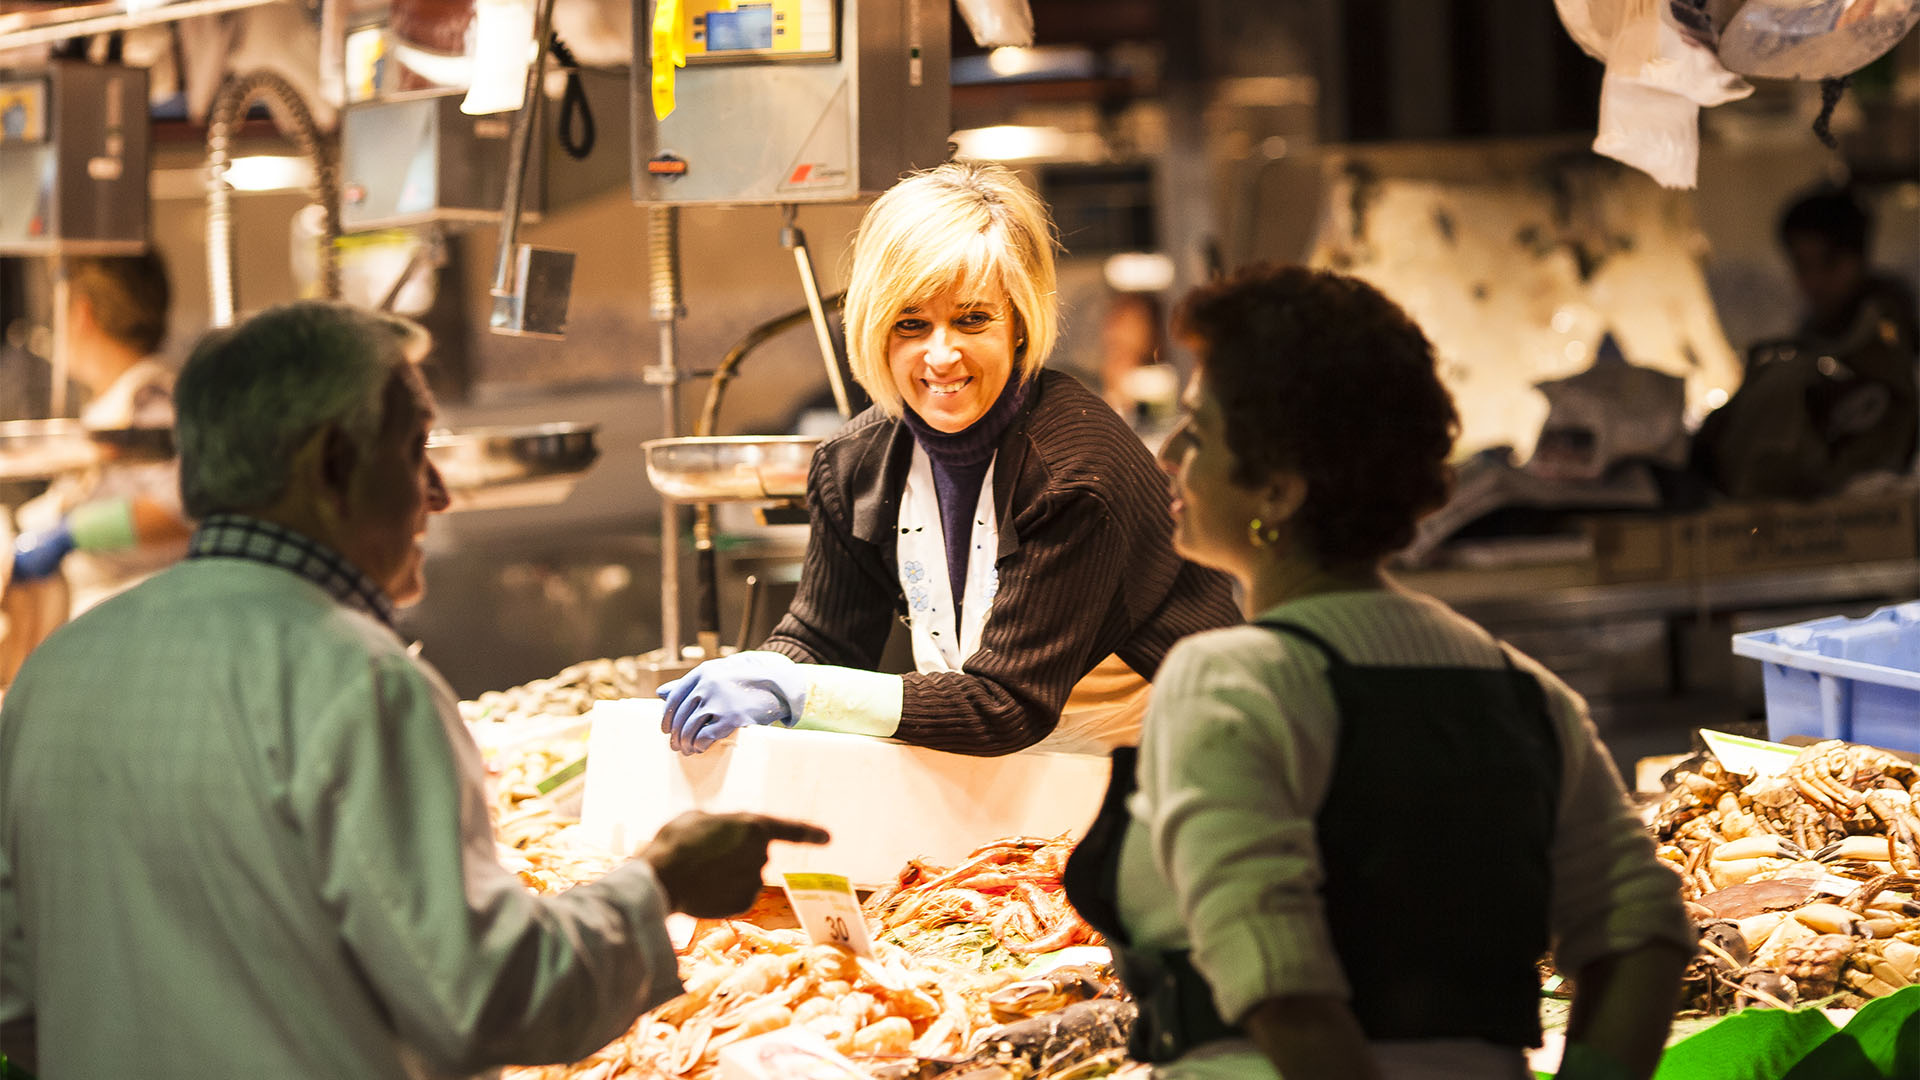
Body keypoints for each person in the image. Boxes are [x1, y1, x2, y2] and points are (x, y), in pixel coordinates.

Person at [0, 301, 828, 1078]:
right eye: (415, 451)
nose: (437, 493)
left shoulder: (60, 670)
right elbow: (486, 999)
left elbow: (15, 999)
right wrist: (658, 883)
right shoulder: (356, 681)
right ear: (332, 466)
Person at [1062, 265, 1692, 1080]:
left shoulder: (1230, 682)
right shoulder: (1524, 690)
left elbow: (1284, 994)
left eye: (1198, 430)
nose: (1168, 453)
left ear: (1279, 491)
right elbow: (1642, 938)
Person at [658, 162, 1239, 757]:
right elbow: (823, 638)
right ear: (875, 331)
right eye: (910, 323)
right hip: (1005, 769)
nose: (941, 355)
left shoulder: (1075, 472)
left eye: (971, 319)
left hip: (1177, 758)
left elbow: (1006, 705)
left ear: (1017, 322)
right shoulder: (854, 465)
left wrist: (802, 691)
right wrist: (758, 674)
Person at [8, 254, 192, 618]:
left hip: (146, 612)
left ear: (81, 314)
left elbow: (182, 507)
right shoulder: (122, 398)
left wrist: (73, 533)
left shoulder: (149, 399)